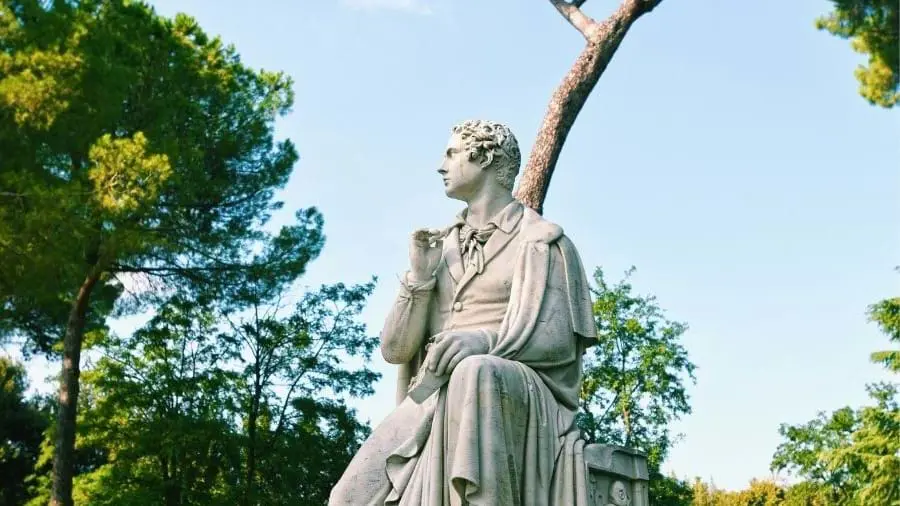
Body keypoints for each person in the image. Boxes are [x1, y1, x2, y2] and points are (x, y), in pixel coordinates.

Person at [328, 119, 597, 506]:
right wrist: (419, 279)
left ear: (484, 157)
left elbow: (559, 342)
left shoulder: (541, 241)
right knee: (347, 497)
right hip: (429, 397)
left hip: (515, 392)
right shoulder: (438, 246)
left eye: (451, 153)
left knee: (475, 371)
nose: (441, 165)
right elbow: (395, 351)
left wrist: (483, 342)